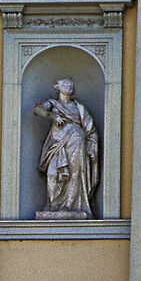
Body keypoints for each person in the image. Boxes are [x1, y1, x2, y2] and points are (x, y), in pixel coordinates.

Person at [35, 78, 101, 218]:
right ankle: (53, 205)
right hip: (57, 143)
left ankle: (71, 205)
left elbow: (91, 129)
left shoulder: (78, 107)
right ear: (58, 87)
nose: (69, 86)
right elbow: (38, 109)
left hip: (76, 140)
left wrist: (92, 147)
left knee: (74, 173)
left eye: (71, 85)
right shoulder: (52, 104)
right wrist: (53, 115)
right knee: (52, 172)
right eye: (66, 84)